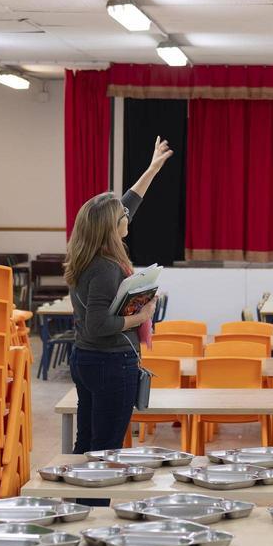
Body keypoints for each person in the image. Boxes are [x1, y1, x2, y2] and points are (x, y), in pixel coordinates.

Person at [65, 136, 174, 454]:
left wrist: (152, 169)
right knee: (105, 447)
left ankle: (81, 488)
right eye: (122, 216)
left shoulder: (89, 253)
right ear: (112, 227)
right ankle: (92, 489)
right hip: (110, 362)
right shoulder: (105, 267)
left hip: (88, 359)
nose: (127, 216)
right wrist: (141, 316)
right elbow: (99, 324)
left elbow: (128, 203)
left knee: (88, 443)